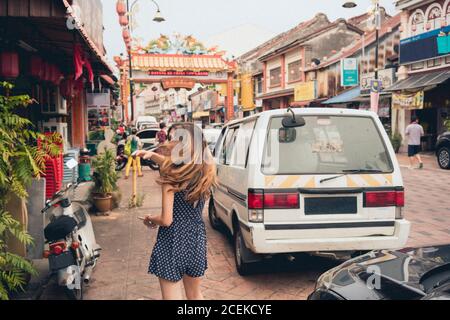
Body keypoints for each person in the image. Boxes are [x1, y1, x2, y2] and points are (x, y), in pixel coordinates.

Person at [135, 123, 217, 300]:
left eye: (174, 139)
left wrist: (150, 218)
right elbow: (179, 165)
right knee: (195, 295)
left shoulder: (171, 177)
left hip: (172, 241)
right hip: (196, 239)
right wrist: (152, 155)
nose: (170, 143)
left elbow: (166, 220)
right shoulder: (205, 172)